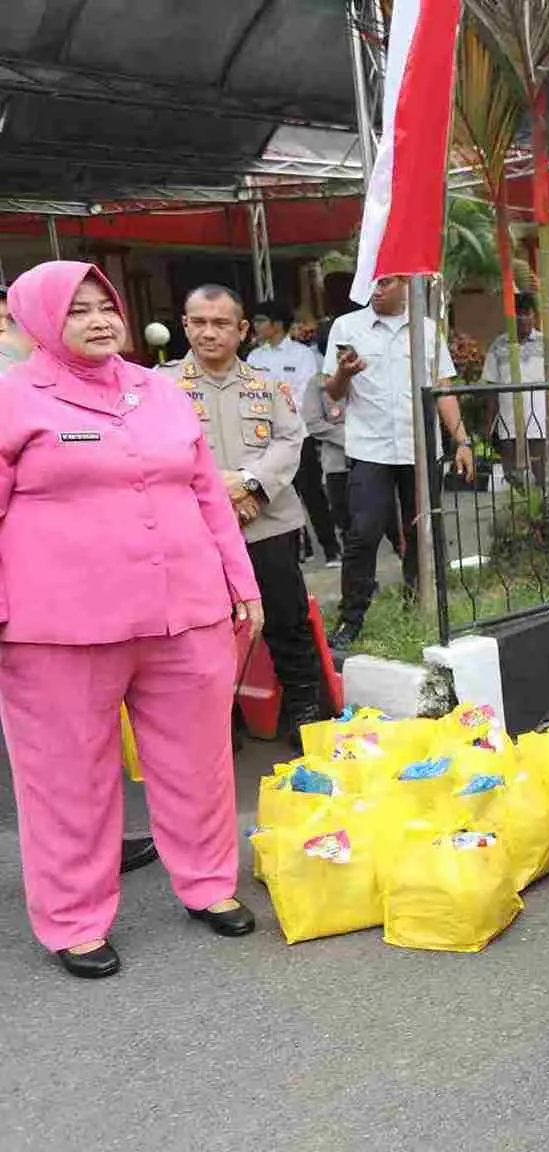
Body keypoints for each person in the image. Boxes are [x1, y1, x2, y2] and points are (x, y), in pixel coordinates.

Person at [0, 261, 263, 978]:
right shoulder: (13, 398)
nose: (98, 319)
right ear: (36, 322)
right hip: (57, 630)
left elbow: (208, 490)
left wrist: (240, 582)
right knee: (66, 778)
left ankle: (208, 883)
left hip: (186, 613)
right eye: (76, 309)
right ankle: (73, 920)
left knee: (199, 762)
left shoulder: (159, 391)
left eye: (105, 306)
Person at [169, 284, 327, 749]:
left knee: (286, 618)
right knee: (206, 629)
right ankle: (222, 718)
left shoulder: (268, 387)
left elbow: (290, 440)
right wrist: (215, 486)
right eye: (198, 322)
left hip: (267, 524)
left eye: (220, 324)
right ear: (184, 326)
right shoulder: (161, 389)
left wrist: (248, 481)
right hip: (194, 529)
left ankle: (304, 712)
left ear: (242, 330)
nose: (208, 333)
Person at [322, 274, 475, 646]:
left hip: (418, 450)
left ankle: (418, 606)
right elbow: (334, 393)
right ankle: (351, 619)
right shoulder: (347, 326)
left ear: (406, 284)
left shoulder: (426, 329)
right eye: (373, 282)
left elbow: (444, 390)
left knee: (421, 533)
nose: (376, 289)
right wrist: (345, 372)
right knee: (363, 533)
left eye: (386, 282)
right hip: (370, 449)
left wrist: (462, 441)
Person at [249, 298, 338, 566]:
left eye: (261, 321)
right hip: (266, 438)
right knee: (276, 494)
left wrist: (279, 412)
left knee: (311, 493)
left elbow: (304, 394)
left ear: (276, 325)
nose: (256, 326)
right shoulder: (255, 357)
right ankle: (301, 549)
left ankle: (331, 548)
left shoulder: (302, 355)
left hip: (299, 436)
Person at [482, 292, 549, 487]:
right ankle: (523, 517)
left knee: (545, 481)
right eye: (518, 314)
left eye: (527, 313)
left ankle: (545, 516)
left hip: (544, 425)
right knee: (513, 478)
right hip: (509, 427)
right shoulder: (499, 346)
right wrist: (488, 423)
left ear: (535, 316)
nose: (522, 318)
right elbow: (491, 388)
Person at [300, 353, 350, 543]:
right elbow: (313, 423)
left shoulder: (367, 374)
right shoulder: (318, 382)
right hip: (337, 463)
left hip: (372, 458)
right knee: (344, 520)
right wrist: (349, 437)